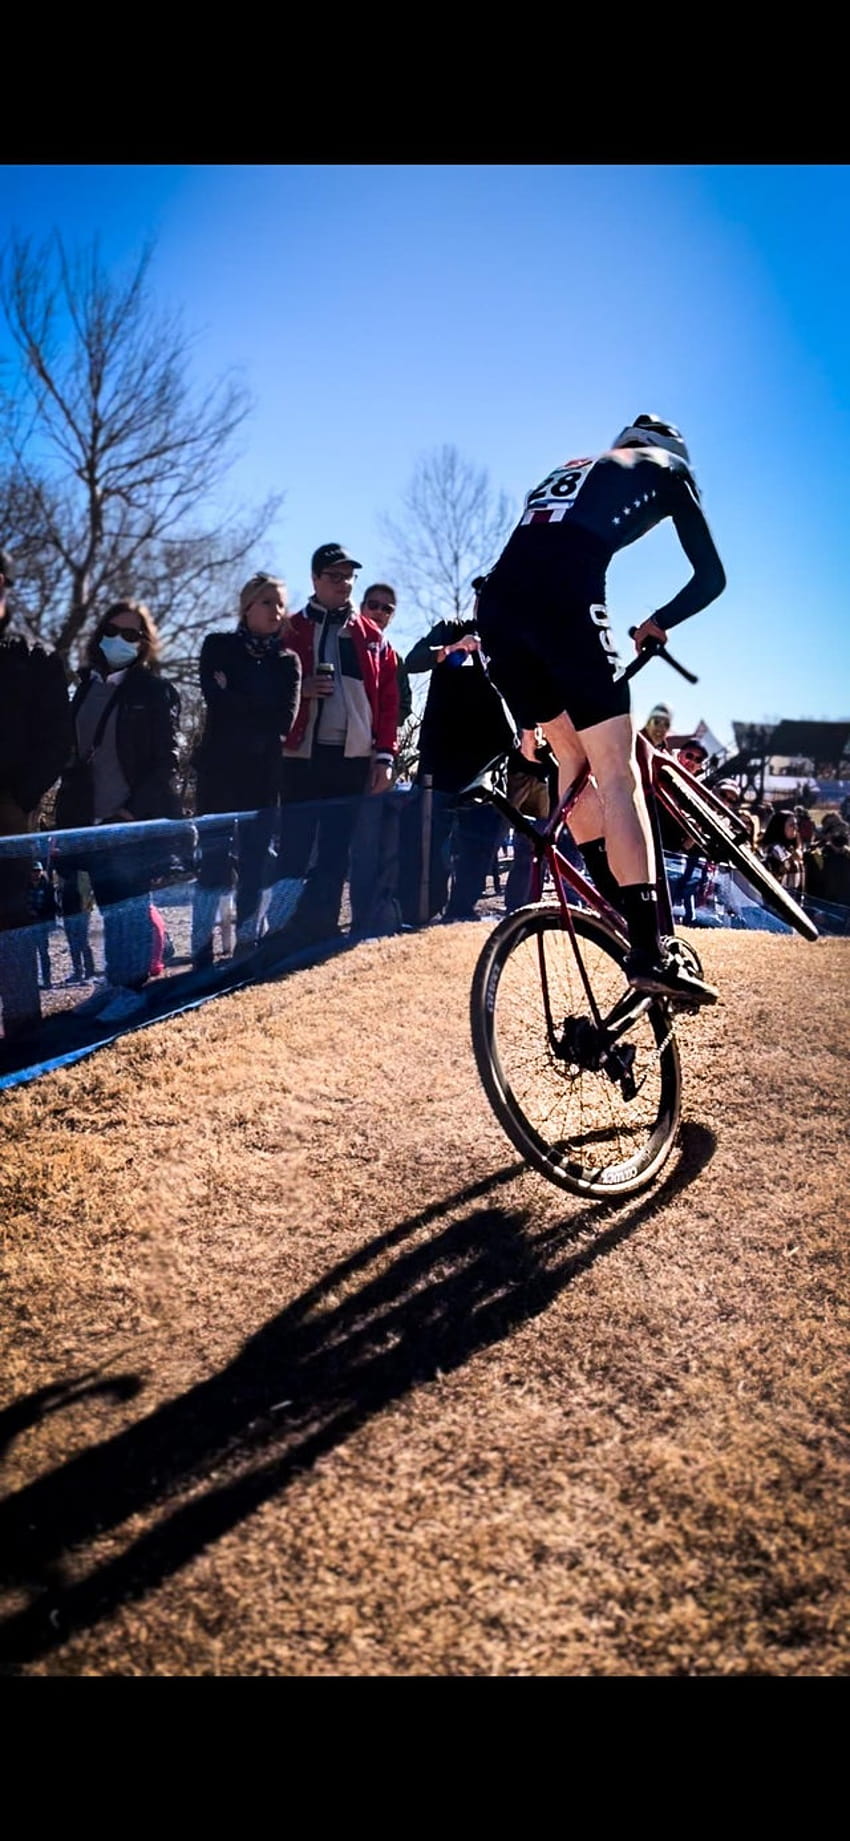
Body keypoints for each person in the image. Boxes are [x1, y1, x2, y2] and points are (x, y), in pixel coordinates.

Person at [474, 413, 726, 1005]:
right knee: (620, 770)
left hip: (499, 607)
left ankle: (613, 900)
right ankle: (649, 944)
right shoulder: (672, 469)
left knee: (571, 753)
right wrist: (659, 623)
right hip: (566, 599)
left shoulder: (575, 465)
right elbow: (710, 577)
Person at [56, 598, 182, 1023]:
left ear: (144, 643)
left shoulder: (156, 691)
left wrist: (132, 812)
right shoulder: (85, 688)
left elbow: (167, 761)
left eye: (132, 634)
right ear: (99, 633)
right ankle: (115, 984)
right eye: (113, 629)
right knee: (110, 907)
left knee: (131, 905)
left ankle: (132, 990)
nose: (120, 639)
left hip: (129, 822)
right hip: (89, 822)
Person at [273, 543, 399, 949]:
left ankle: (322, 926)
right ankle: (283, 927)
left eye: (348, 577)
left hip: (350, 758)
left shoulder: (371, 635)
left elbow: (387, 703)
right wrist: (300, 691)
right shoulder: (290, 629)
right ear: (314, 579)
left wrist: (384, 756)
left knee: (335, 849)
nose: (343, 584)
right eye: (334, 576)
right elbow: (268, 692)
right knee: (294, 847)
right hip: (299, 756)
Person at [191, 572, 302, 968]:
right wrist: (251, 705)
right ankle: (201, 948)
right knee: (213, 864)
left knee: (255, 864)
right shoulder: (217, 646)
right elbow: (214, 700)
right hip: (218, 774)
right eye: (268, 602)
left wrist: (235, 695)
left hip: (262, 777)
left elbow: (282, 721)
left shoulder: (288, 661)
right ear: (247, 605)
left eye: (281, 603)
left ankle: (248, 944)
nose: (277, 611)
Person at [0, 544, 74, 1043]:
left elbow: (57, 741)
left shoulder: (36, 658)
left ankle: (24, 1033)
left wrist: (19, 800)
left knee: (11, 919)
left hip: (9, 810)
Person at [402, 615, 518, 923]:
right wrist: (450, 649)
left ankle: (460, 911)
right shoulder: (450, 628)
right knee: (427, 841)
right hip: (439, 758)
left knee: (480, 845)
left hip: (488, 762)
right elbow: (412, 661)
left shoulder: (509, 635)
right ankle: (421, 912)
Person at [760, 808, 805, 895]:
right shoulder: (775, 848)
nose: (795, 828)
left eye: (796, 824)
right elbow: (783, 866)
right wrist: (796, 854)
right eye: (791, 825)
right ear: (780, 827)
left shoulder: (790, 848)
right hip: (780, 899)